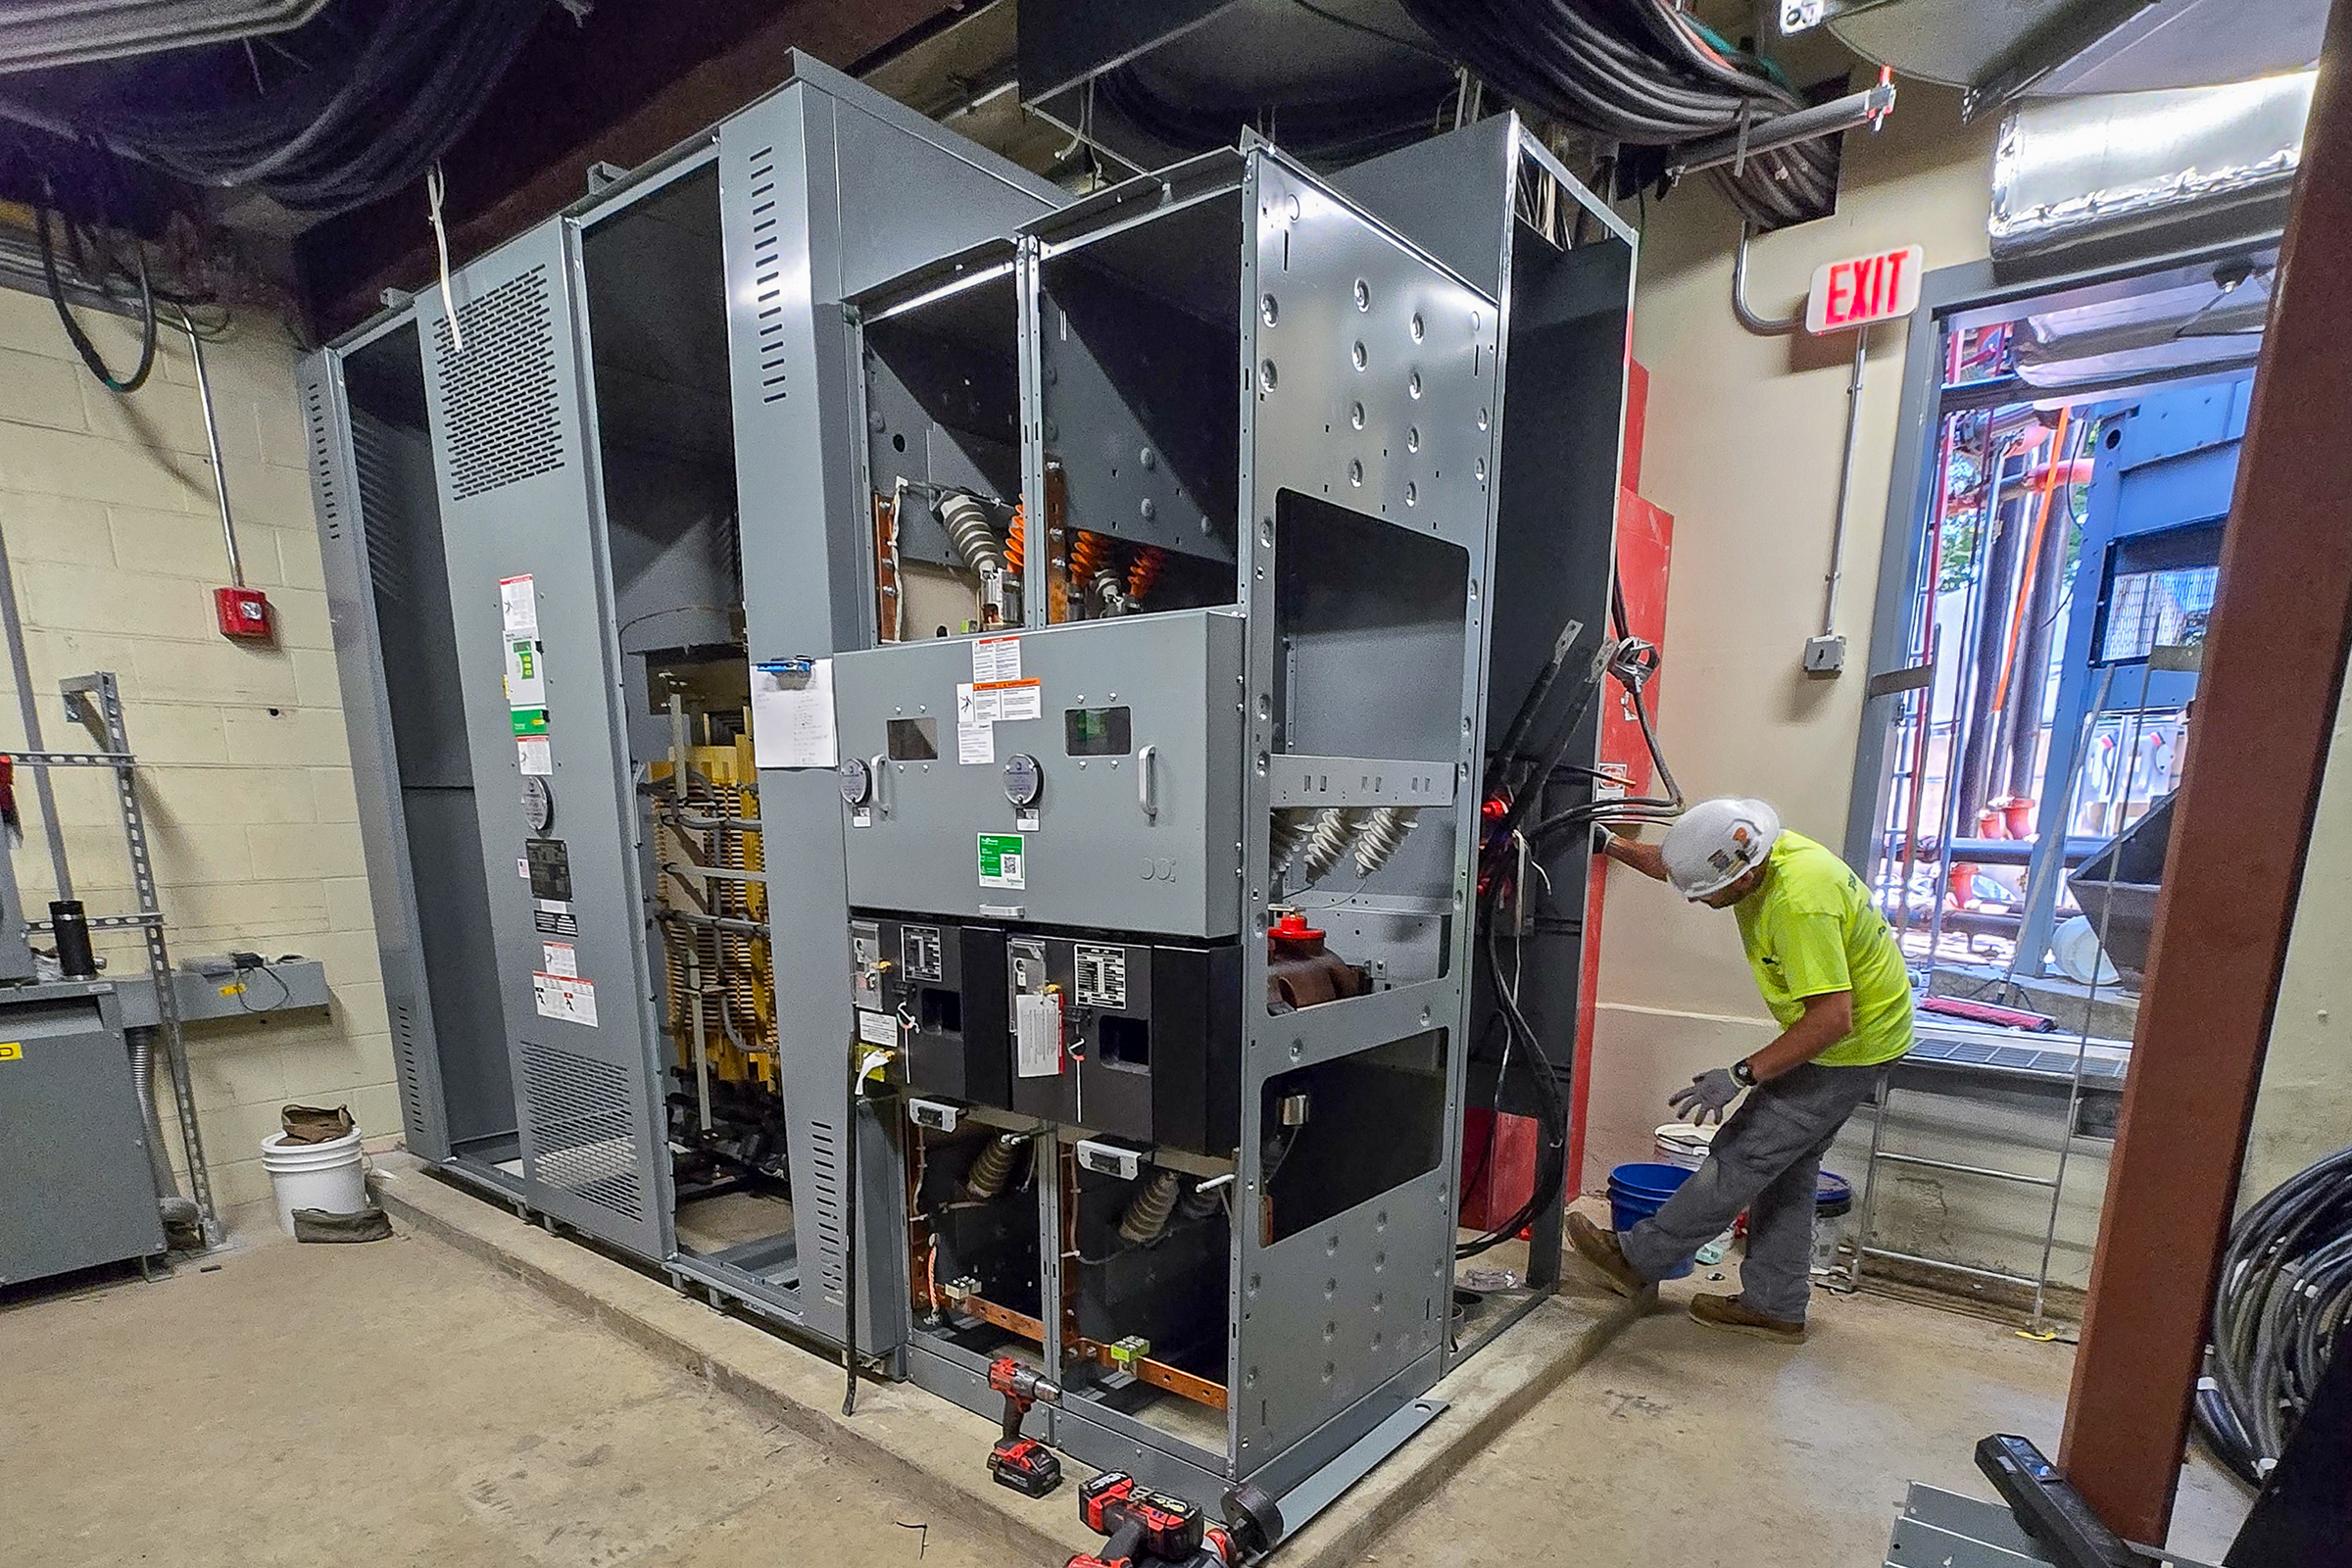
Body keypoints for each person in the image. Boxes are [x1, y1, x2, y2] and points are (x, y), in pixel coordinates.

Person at [1568, 797, 1913, 1343]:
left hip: (1846, 1048)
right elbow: (1678, 866)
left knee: (1742, 1153)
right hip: (1867, 1037)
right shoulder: (1751, 850)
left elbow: (1831, 1019)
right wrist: (1610, 844)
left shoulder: (1800, 903)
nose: (1700, 903)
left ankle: (1639, 1258)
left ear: (1744, 876)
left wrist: (1740, 1075)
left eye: (1709, 896)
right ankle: (1775, 1306)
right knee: (1786, 1170)